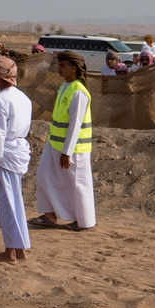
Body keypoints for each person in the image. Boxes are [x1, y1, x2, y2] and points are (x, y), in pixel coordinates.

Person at [32, 50, 97, 231]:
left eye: (62, 65)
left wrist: (67, 152)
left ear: (73, 68)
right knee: (44, 175)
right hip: (54, 144)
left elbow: (75, 125)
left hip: (73, 149)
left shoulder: (79, 92)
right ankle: (49, 215)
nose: (58, 68)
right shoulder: (65, 87)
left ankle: (84, 222)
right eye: (58, 64)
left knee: (78, 184)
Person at [0, 55, 33, 263]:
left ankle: (10, 251)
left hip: (6, 154)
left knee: (6, 203)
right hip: (17, 151)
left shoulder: (0, 100)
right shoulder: (22, 97)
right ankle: (20, 249)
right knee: (15, 200)